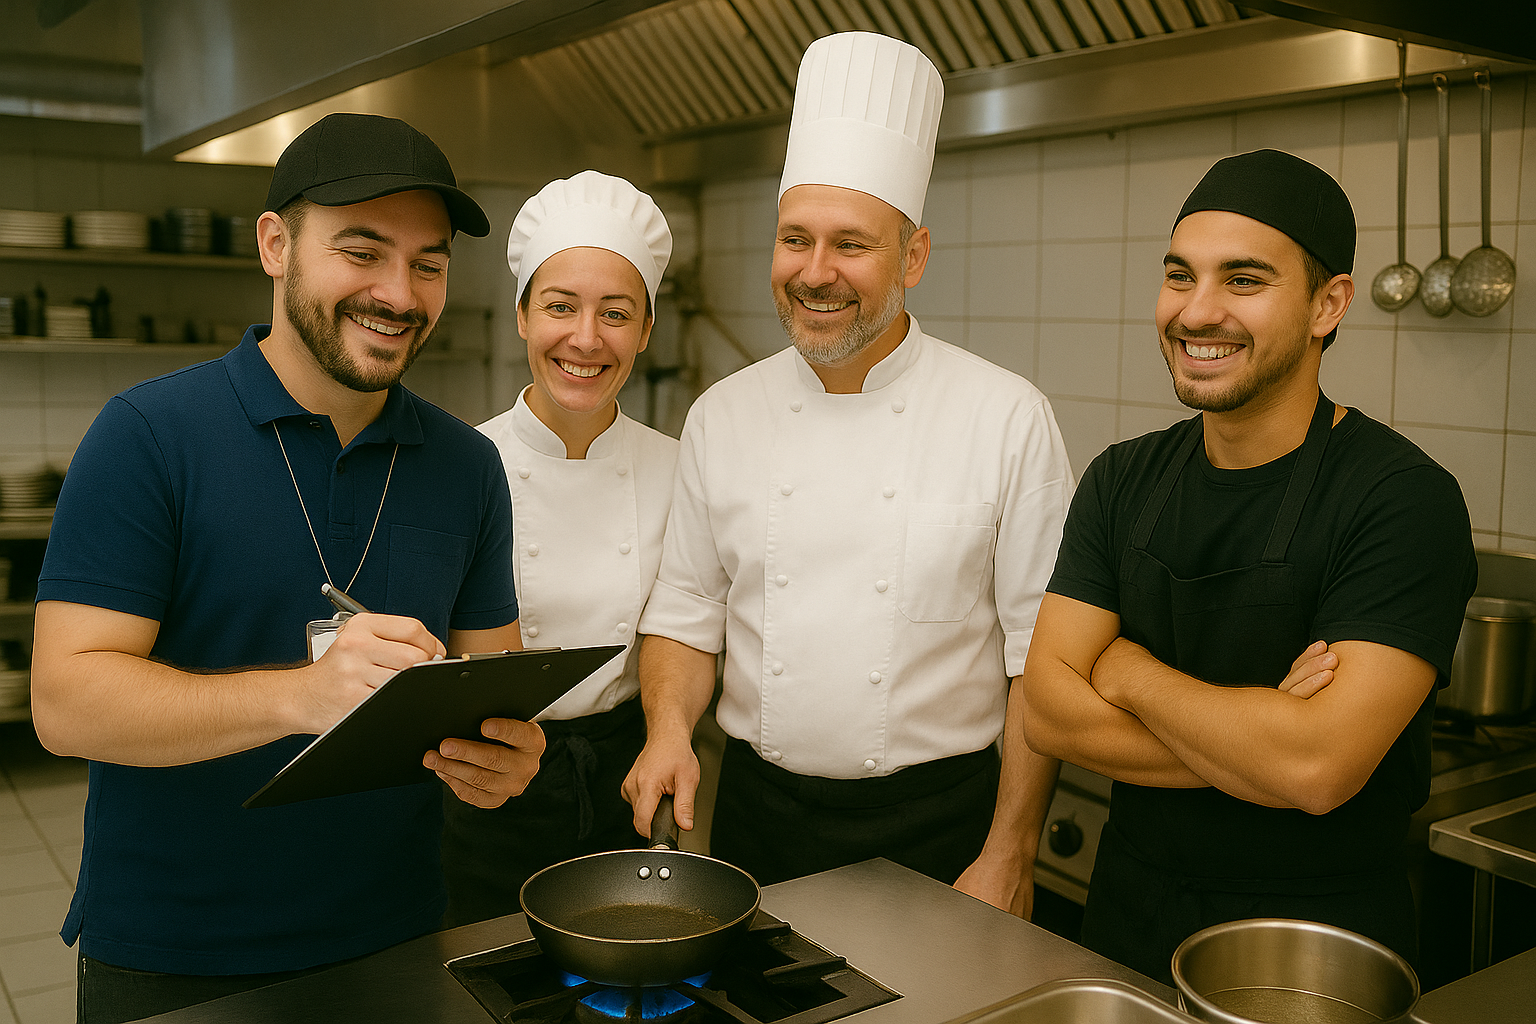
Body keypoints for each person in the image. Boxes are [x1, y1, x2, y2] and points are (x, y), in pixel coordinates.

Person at [29, 112, 545, 1023]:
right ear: (276, 245)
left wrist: (504, 757)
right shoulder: (148, 437)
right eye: (363, 250)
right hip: (178, 959)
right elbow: (66, 704)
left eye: (428, 262)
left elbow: (487, 689)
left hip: (398, 941)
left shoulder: (467, 464)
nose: (400, 291)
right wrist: (300, 697)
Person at [622, 31, 1074, 917]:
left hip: (941, 826)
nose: (815, 273)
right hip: (758, 820)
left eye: (851, 246)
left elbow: (1039, 665)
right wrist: (669, 730)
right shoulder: (724, 415)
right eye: (796, 240)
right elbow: (684, 613)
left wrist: (1011, 850)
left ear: (913, 258)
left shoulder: (1006, 416)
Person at [1019, 149, 1478, 982]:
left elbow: (1316, 768)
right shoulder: (1122, 478)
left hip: (1313, 952)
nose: (1196, 313)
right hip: (1124, 922)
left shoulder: (1403, 500)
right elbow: (1048, 714)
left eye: (1243, 281)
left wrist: (1126, 673)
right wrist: (1263, 734)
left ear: (1326, 305)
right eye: (1179, 275)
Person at [440, 170, 678, 925]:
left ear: (645, 331)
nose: (585, 338)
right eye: (559, 307)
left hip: (626, 779)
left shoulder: (680, 470)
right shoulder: (455, 468)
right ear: (521, 316)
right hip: (484, 781)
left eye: (616, 313)